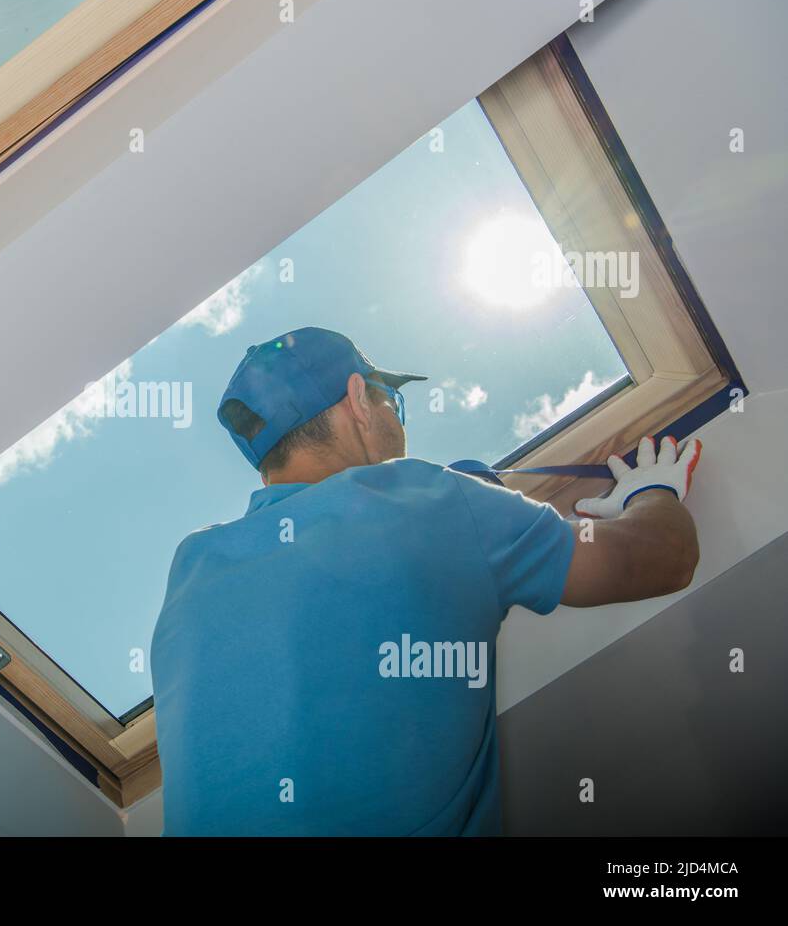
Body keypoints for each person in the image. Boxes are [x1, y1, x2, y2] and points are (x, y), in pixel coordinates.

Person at [150, 327, 701, 835]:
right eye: (391, 398)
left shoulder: (191, 567)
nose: (399, 420)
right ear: (359, 401)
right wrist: (650, 492)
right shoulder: (426, 499)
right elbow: (665, 558)